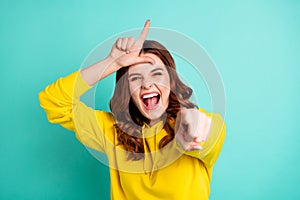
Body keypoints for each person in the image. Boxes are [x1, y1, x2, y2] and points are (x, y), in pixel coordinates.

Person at [38, 20, 226, 199]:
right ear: (127, 90)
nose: (146, 84)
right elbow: (53, 100)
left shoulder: (199, 122)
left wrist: (193, 130)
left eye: (157, 73)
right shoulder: (112, 131)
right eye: (135, 78)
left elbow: (207, 131)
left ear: (172, 82)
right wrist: (112, 63)